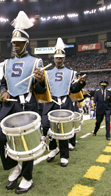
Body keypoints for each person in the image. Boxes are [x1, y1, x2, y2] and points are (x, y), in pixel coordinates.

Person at [0, 11, 47, 194]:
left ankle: (27, 177)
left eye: (19, 43)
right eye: (13, 43)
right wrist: (3, 92)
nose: (15, 46)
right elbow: (2, 83)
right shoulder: (7, 63)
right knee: (1, 137)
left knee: (26, 141)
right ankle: (14, 167)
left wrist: (41, 80)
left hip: (27, 103)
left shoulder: (36, 61)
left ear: (26, 43)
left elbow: (41, 90)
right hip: (9, 104)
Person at [42, 37, 86, 167]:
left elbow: (73, 89)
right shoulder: (48, 72)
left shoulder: (71, 72)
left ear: (64, 58)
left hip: (65, 102)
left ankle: (64, 155)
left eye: (60, 58)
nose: (58, 60)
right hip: (52, 102)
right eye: (56, 57)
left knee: (63, 130)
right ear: (54, 58)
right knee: (45, 126)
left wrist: (81, 84)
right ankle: (54, 148)